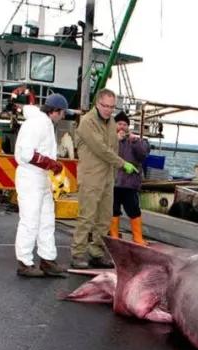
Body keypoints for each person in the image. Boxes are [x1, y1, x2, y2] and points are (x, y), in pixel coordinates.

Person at [71, 88, 138, 268]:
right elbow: (101, 149)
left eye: (111, 106)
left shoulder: (111, 123)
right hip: (91, 176)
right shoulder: (87, 122)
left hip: (108, 178)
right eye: (105, 105)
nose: (108, 109)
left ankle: (97, 252)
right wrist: (122, 164)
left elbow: (113, 145)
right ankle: (78, 254)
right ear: (97, 103)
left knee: (105, 218)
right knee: (87, 216)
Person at [13, 92, 68, 277]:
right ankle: (24, 262)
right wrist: (52, 164)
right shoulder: (38, 124)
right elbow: (26, 154)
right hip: (31, 177)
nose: (63, 116)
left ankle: (47, 259)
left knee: (46, 220)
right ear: (56, 111)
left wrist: (50, 167)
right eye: (63, 113)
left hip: (41, 177)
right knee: (30, 220)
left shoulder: (43, 123)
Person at [110, 111, 151, 245]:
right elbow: (103, 152)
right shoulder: (109, 138)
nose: (122, 126)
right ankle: (114, 235)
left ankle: (137, 237)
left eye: (125, 124)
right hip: (113, 182)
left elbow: (143, 155)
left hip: (130, 184)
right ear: (114, 125)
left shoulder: (136, 140)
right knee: (113, 210)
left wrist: (136, 142)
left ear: (128, 126)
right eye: (119, 123)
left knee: (134, 210)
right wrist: (115, 139)